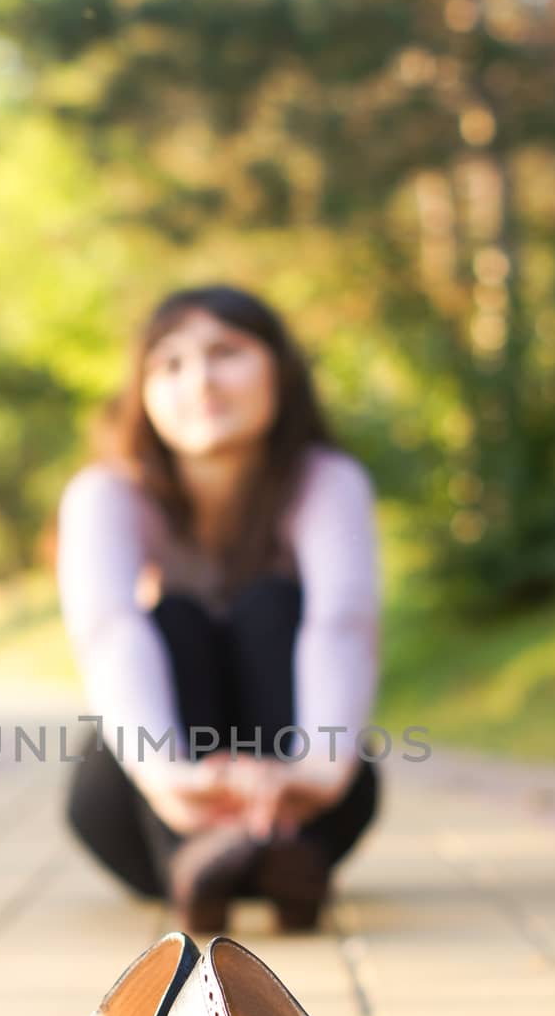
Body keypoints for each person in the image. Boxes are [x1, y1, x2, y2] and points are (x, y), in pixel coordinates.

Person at [55, 283, 381, 931]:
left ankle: (280, 854)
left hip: (308, 794)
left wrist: (317, 767)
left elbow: (341, 625)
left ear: (279, 371)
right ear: (141, 394)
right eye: (169, 364)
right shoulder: (105, 494)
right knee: (172, 620)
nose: (199, 380)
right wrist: (169, 778)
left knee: (269, 606)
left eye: (225, 352)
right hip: (147, 805)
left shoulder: (326, 481)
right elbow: (110, 631)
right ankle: (197, 859)